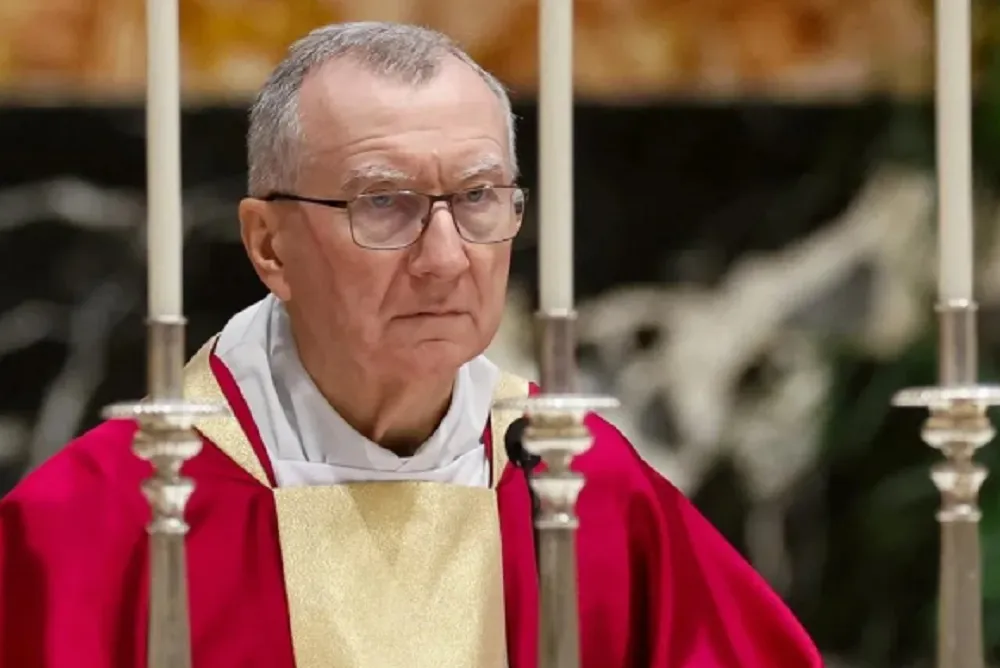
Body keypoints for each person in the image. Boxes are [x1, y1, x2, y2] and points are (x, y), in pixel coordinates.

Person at [0, 22, 821, 668]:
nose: (445, 256)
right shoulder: (98, 524)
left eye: (478, 197)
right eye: (384, 203)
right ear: (269, 246)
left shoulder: (581, 488)